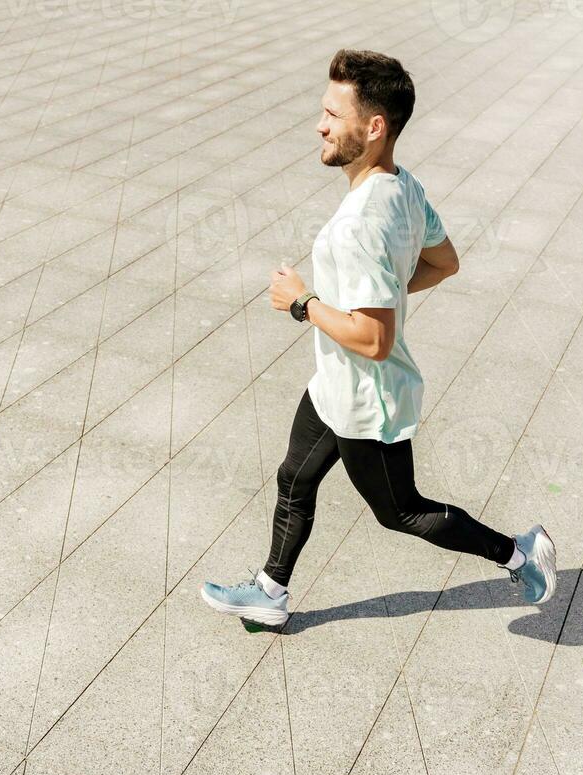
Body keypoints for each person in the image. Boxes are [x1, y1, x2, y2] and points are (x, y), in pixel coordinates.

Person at [200, 49, 556, 629]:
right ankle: (271, 592)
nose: (319, 124)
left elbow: (374, 340)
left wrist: (303, 302)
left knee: (402, 511)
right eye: (322, 109)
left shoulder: (359, 225)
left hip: (369, 402)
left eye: (332, 115)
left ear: (373, 127)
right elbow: (444, 263)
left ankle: (521, 555)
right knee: (296, 476)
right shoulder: (401, 186)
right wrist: (379, 299)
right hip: (336, 383)